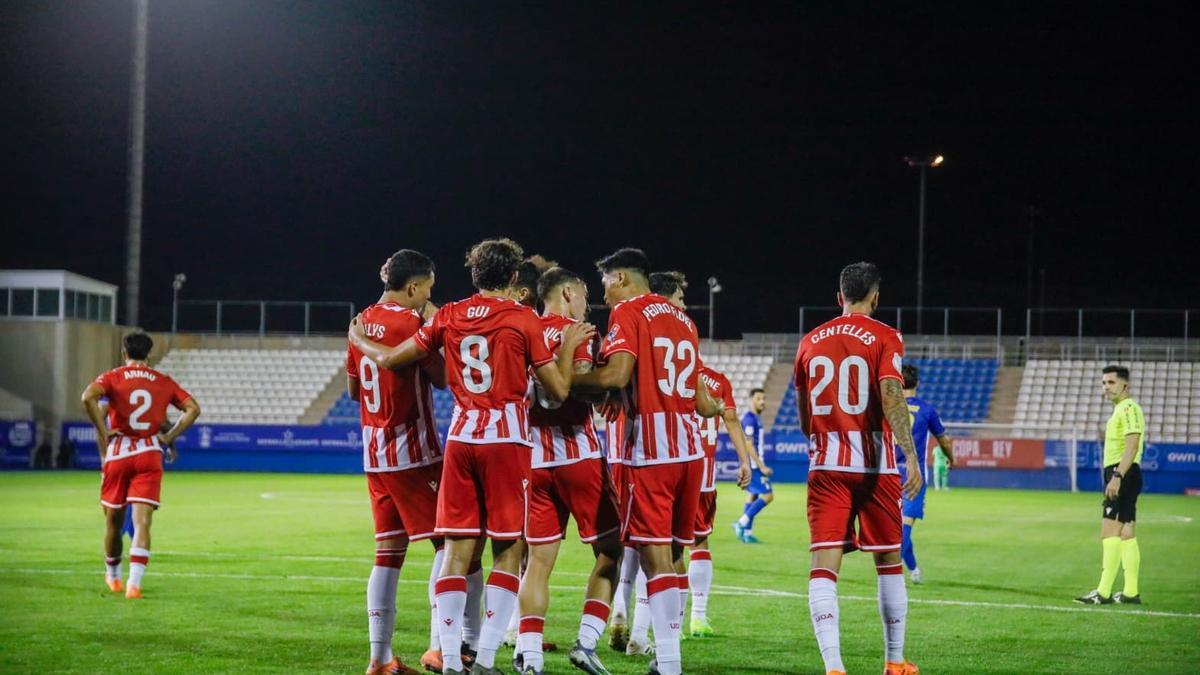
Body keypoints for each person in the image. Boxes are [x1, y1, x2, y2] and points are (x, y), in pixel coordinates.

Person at [349, 238, 594, 675]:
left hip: (461, 439)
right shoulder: (523, 319)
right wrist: (569, 346)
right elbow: (557, 390)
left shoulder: (448, 314)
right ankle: (481, 657)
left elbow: (390, 359)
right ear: (515, 279)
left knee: (457, 551)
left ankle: (448, 660)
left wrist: (357, 338)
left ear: (474, 275)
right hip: (506, 440)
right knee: (508, 549)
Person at [572, 248, 725, 675]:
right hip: (690, 452)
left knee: (652, 557)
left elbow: (617, 375)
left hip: (649, 455)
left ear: (620, 277)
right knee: (674, 555)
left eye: (604, 282)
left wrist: (568, 380)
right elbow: (697, 398)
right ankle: (660, 652)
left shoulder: (628, 312)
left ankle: (670, 663)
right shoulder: (684, 320)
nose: (603, 293)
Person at [794, 262, 921, 675]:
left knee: (823, 565)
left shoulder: (809, 340)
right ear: (876, 297)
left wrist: (825, 439)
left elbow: (804, 415)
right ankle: (894, 661)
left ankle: (834, 667)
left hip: (826, 464)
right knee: (887, 560)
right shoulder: (886, 336)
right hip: (876, 465)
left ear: (839, 297)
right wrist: (911, 454)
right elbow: (890, 392)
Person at [347, 249, 452, 675]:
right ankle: (440, 646)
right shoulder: (412, 324)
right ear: (413, 287)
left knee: (388, 553)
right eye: (427, 289)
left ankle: (380, 658)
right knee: (449, 545)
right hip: (414, 452)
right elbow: (443, 378)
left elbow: (355, 392)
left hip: (374, 455)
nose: (428, 296)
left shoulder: (359, 322)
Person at [513, 266, 623, 675]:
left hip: (535, 461)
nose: (588, 300)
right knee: (612, 550)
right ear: (568, 293)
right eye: (583, 292)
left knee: (538, 563)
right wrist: (611, 389)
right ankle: (587, 641)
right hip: (578, 457)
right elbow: (577, 382)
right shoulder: (576, 333)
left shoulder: (522, 329)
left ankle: (530, 655)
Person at [648, 270, 752, 638]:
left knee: (658, 545)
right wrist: (744, 461)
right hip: (701, 474)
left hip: (662, 463)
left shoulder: (663, 372)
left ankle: (656, 625)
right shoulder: (717, 381)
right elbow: (732, 420)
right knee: (698, 542)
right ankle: (697, 616)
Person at [80, 332, 201, 599]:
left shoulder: (113, 377)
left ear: (124, 354)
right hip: (149, 451)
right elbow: (193, 408)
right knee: (142, 521)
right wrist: (168, 438)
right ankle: (134, 585)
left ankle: (113, 577)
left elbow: (87, 397)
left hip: (119, 451)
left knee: (113, 522)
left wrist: (105, 431)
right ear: (150, 354)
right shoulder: (163, 381)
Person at [1075, 365, 1145, 606]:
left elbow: (1132, 446)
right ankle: (1130, 592)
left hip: (1122, 473)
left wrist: (1117, 476)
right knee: (1126, 533)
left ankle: (1103, 593)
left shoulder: (1129, 408)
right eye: (1104, 383)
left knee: (1109, 532)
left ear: (1125, 385)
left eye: (1111, 383)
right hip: (1124, 473)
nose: (1106, 387)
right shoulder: (1120, 410)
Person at [897, 364, 954, 584]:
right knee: (900, 531)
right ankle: (910, 569)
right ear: (917, 383)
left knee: (900, 533)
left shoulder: (887, 407)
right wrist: (952, 458)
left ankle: (910, 570)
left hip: (889, 474)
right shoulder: (927, 410)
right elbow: (944, 439)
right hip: (914, 476)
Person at [733, 388, 774, 543]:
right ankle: (740, 523)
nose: (762, 402)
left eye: (763, 398)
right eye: (758, 398)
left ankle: (747, 534)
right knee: (768, 496)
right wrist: (761, 466)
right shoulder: (750, 419)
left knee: (752, 496)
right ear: (751, 400)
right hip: (754, 466)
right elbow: (749, 445)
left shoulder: (755, 418)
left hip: (752, 465)